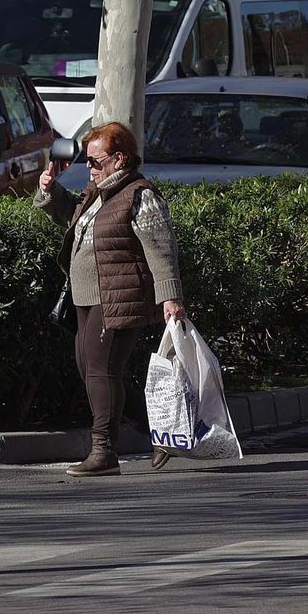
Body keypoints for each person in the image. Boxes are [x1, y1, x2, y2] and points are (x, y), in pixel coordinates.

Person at [36, 121, 186, 477]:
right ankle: (160, 431)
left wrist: (171, 297)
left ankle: (104, 451)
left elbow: (162, 248)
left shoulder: (139, 194)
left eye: (95, 160)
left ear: (119, 159)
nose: (89, 167)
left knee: (102, 371)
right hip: (86, 297)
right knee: (91, 369)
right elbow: (74, 220)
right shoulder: (97, 192)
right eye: (86, 161)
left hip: (118, 297)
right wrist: (52, 192)